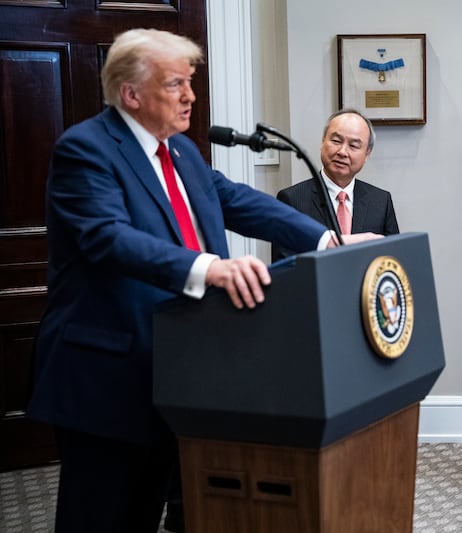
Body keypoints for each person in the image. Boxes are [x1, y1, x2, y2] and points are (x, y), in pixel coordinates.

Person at [26, 28, 379, 533]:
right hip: (108, 372)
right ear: (131, 93)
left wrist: (329, 241)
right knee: (102, 517)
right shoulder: (85, 150)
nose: (191, 95)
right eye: (176, 84)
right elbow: (109, 238)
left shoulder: (182, 152)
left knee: (164, 504)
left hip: (183, 364)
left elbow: (236, 201)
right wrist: (210, 269)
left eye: (190, 83)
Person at [271, 108, 399, 261]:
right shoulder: (292, 199)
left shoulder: (381, 201)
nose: (342, 152)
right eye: (336, 141)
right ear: (322, 141)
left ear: (367, 154)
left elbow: (394, 260)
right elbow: (284, 267)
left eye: (354, 146)